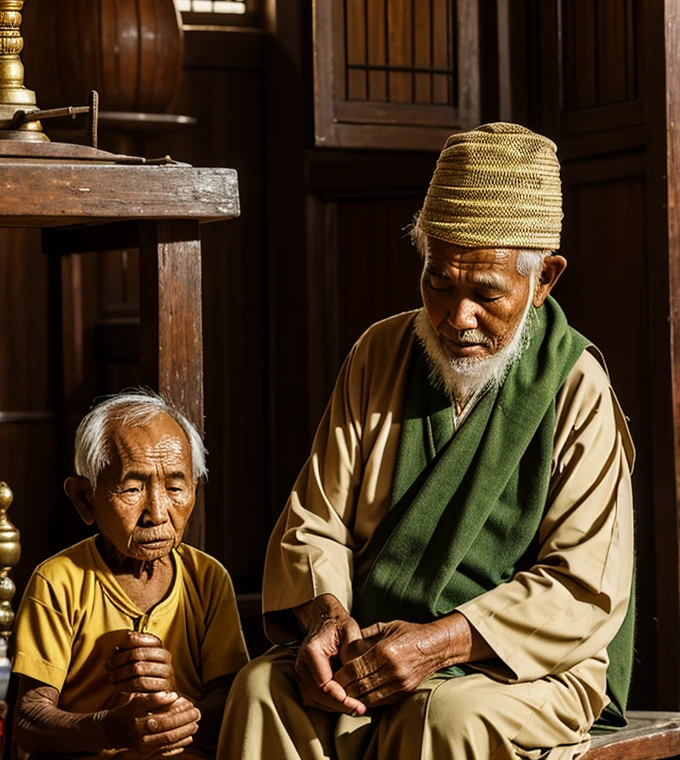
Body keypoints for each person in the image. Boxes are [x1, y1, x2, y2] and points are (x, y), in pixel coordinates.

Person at [219, 123, 635, 760]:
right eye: (439, 282)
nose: (456, 316)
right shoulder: (379, 352)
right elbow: (314, 521)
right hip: (372, 645)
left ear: (544, 278)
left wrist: (439, 643)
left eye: (485, 293)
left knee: (444, 713)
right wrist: (329, 620)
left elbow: (582, 587)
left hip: (518, 664)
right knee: (261, 690)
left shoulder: (576, 386)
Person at [12, 390, 249, 759]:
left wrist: (174, 707)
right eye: (133, 488)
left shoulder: (207, 578)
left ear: (194, 491)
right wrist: (110, 728)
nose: (156, 512)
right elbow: (28, 721)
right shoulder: (57, 581)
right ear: (84, 499)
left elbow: (235, 705)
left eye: (174, 487)